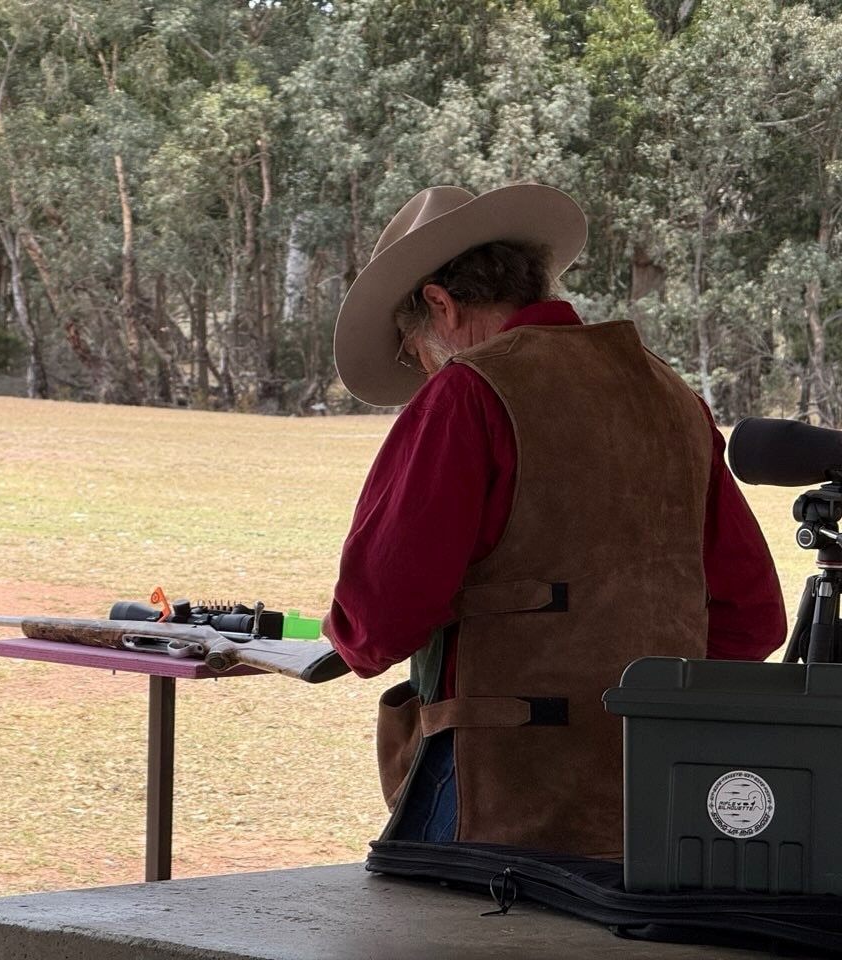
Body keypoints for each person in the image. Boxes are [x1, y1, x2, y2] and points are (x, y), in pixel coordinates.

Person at [323, 183, 786, 859]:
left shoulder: (468, 393)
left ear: (441, 306)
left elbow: (376, 619)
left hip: (499, 795)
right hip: (651, 793)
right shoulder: (674, 400)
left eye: (412, 351)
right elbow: (752, 620)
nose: (422, 371)